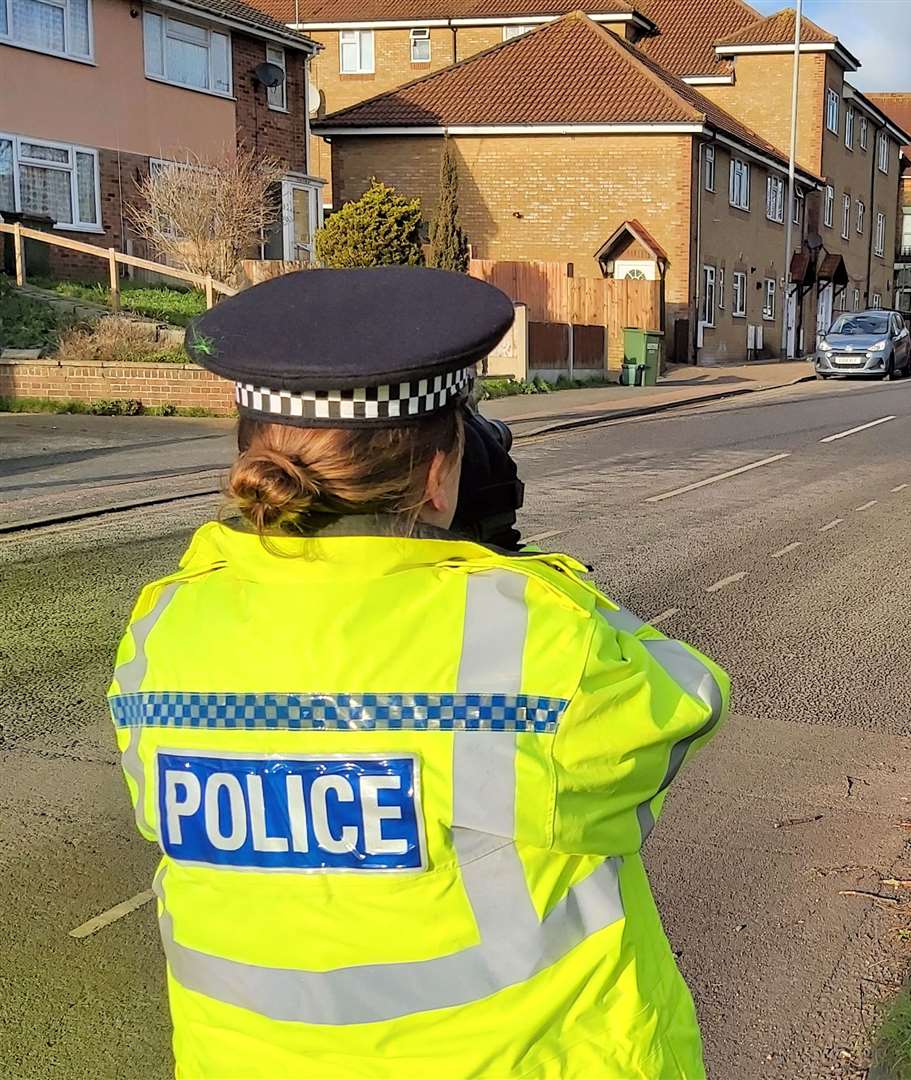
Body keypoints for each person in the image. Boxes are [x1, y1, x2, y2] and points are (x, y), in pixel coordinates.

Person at [107, 267, 729, 1078]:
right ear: (440, 477)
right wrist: (507, 564)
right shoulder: (527, 637)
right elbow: (687, 698)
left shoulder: (163, 629)